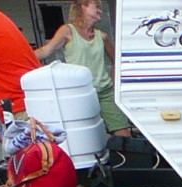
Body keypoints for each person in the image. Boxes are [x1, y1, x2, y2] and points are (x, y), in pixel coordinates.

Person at [35, 0, 128, 134]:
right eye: (96, 7)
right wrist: (21, 57)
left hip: (105, 92)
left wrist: (113, 84)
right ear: (83, 7)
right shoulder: (67, 31)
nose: (100, 11)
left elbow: (116, 61)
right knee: (88, 133)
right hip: (80, 93)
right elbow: (45, 51)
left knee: (123, 133)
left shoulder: (102, 36)